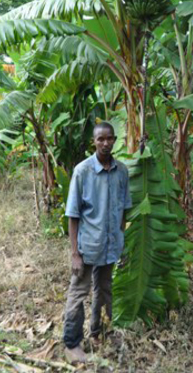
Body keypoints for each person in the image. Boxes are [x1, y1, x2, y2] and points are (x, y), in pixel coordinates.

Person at [63, 122, 132, 364]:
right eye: (100, 139)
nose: (105, 143)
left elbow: (124, 210)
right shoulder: (83, 171)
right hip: (88, 246)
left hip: (111, 244)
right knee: (79, 292)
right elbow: (73, 214)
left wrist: (121, 240)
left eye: (109, 138)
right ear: (93, 141)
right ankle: (71, 344)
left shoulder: (121, 171)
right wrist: (75, 253)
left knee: (105, 288)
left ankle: (99, 331)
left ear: (114, 140)